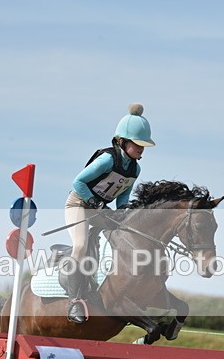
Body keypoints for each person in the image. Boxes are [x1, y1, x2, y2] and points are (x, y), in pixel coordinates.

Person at [63, 103, 155, 323]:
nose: (141, 149)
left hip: (100, 211)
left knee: (127, 239)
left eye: (144, 145)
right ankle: (74, 301)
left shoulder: (135, 168)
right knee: (80, 246)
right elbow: (78, 182)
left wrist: (123, 212)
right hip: (79, 205)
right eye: (137, 144)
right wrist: (95, 202)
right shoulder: (107, 159)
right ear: (122, 141)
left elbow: (123, 195)